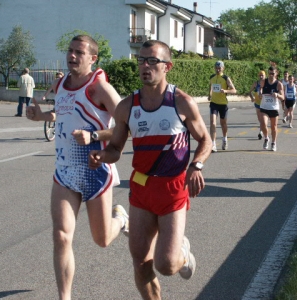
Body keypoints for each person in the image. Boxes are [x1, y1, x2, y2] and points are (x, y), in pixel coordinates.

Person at [89, 40, 212, 300]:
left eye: (152, 61)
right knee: (141, 262)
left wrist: (196, 165)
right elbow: (115, 149)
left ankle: (183, 252)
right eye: (141, 60)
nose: (145, 66)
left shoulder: (181, 102)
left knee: (166, 265)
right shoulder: (127, 106)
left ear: (167, 66)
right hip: (142, 189)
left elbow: (205, 140)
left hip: (172, 189)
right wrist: (101, 155)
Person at [26, 35, 129, 300]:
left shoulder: (100, 88)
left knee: (102, 239)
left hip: (95, 170)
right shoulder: (61, 84)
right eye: (70, 51)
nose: (72, 56)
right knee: (61, 236)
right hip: (64, 172)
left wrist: (94, 137)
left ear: (92, 58)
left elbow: (126, 124)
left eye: (79, 52)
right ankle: (65, 297)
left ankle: (121, 219)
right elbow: (62, 113)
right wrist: (41, 116)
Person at [208, 60, 237, 152]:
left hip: (223, 104)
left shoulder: (225, 78)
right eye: (216, 68)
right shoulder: (212, 77)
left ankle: (225, 138)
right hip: (214, 103)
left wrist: (225, 91)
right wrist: (210, 94)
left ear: (223, 68)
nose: (217, 70)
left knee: (223, 124)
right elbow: (211, 86)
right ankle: (213, 144)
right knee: (213, 123)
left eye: (219, 68)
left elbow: (234, 90)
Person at [259, 66, 284, 151]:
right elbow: (260, 90)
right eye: (270, 73)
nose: (271, 75)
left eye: (273, 73)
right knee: (263, 123)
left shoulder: (278, 84)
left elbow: (283, 97)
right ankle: (266, 138)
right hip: (264, 106)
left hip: (273, 108)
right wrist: (260, 93)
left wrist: (277, 95)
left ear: (276, 73)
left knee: (273, 127)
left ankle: (273, 143)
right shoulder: (263, 81)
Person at [249, 70, 265, 139]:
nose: (261, 77)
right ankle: (263, 129)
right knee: (260, 119)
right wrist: (252, 98)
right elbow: (249, 92)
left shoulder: (266, 84)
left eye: (262, 75)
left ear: (265, 76)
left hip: (265, 104)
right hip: (257, 104)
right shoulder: (256, 83)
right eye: (260, 75)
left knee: (263, 119)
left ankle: (261, 132)